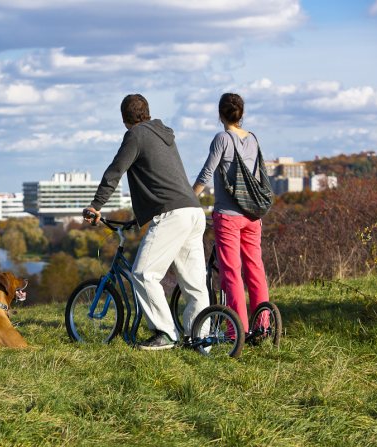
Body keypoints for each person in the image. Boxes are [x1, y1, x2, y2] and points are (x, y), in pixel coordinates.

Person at [84, 93, 209, 350]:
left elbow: (115, 171)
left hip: (173, 214)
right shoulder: (165, 136)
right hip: (193, 212)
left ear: (123, 118)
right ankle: (201, 340)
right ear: (147, 112)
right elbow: (160, 180)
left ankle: (165, 333)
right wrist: (139, 217)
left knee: (143, 273)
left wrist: (95, 206)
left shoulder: (136, 135)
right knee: (194, 283)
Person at [192, 92, 270, 333]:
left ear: (220, 114)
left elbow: (206, 174)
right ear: (242, 114)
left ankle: (237, 331)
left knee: (232, 274)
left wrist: (187, 197)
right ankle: (263, 326)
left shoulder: (222, 139)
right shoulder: (253, 139)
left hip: (228, 216)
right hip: (252, 215)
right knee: (255, 269)